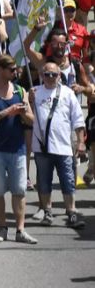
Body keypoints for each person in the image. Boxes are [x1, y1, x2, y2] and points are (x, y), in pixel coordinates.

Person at [0, 54, 37, 244]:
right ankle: (2, 228)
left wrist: (23, 113)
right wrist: (8, 112)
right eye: (11, 69)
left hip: (18, 149)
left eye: (15, 69)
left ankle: (20, 230)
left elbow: (32, 120)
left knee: (19, 190)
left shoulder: (20, 91)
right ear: (0, 70)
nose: (16, 72)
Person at [30, 60, 86, 229]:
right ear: (42, 75)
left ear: (60, 75)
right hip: (42, 146)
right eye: (47, 74)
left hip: (63, 146)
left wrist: (81, 142)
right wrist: (30, 101)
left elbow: (78, 119)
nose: (51, 77)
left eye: (55, 74)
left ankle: (71, 212)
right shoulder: (34, 93)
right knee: (44, 181)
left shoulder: (68, 93)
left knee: (68, 180)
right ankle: (47, 211)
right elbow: (26, 116)